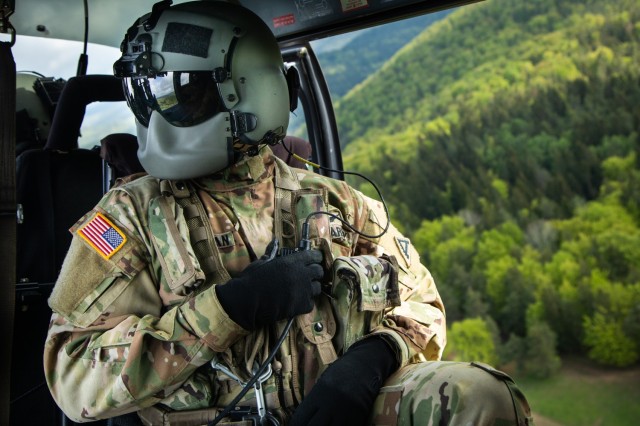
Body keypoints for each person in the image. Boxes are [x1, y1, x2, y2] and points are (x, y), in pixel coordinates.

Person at [43, 2, 534, 425]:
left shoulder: (339, 201)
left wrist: (371, 360)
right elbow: (73, 376)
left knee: (481, 398)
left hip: (337, 413)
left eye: (185, 94)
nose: (162, 112)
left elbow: (423, 304)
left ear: (249, 90)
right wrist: (227, 309)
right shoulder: (126, 217)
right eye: (151, 94)